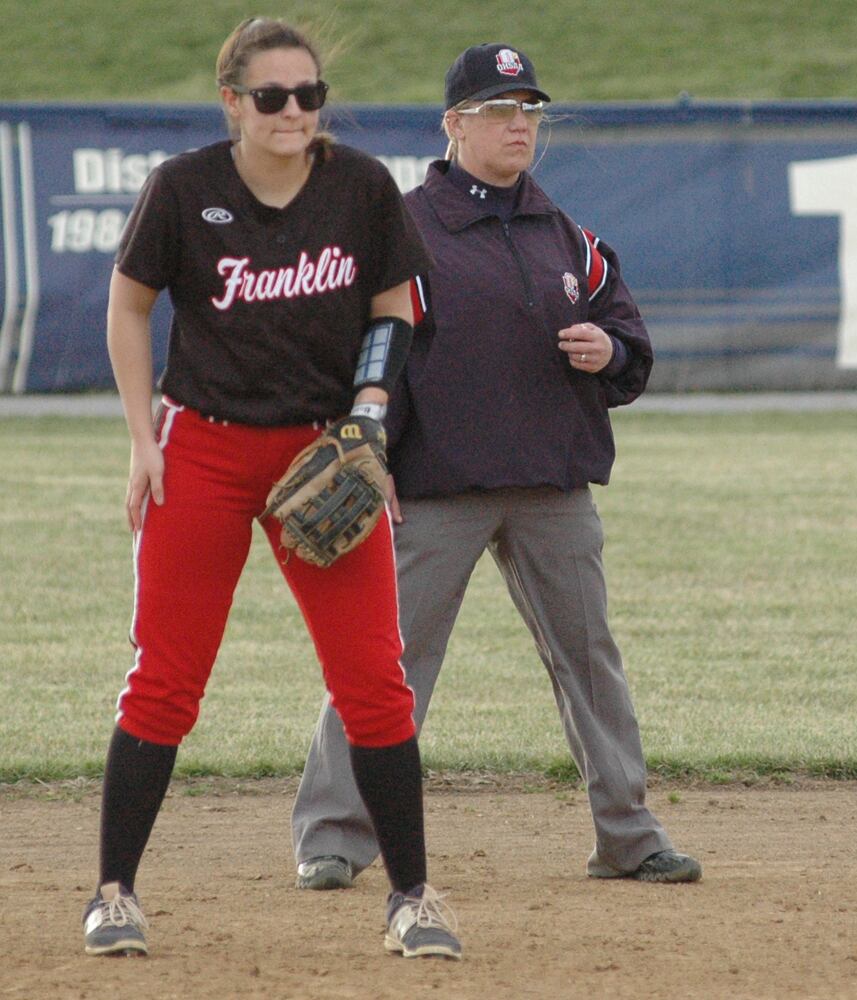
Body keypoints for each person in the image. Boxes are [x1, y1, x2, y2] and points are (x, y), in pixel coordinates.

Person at [85, 17, 460, 960]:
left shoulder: (361, 187)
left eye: (309, 95)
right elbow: (129, 309)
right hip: (202, 450)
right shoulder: (185, 189)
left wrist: (371, 404)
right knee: (166, 679)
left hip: (319, 456)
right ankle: (113, 892)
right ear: (233, 103)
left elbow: (394, 304)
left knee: (376, 679)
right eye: (272, 97)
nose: (293, 112)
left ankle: (412, 896)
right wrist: (142, 440)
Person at [290, 42, 701, 890]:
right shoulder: (404, 228)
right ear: (454, 125)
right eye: (500, 110)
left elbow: (634, 351)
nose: (521, 125)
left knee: (593, 664)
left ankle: (627, 836)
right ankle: (333, 835)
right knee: (386, 662)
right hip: (435, 485)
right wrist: (372, 452)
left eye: (531, 111)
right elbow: (369, 348)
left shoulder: (566, 236)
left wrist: (609, 348)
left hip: (553, 485)